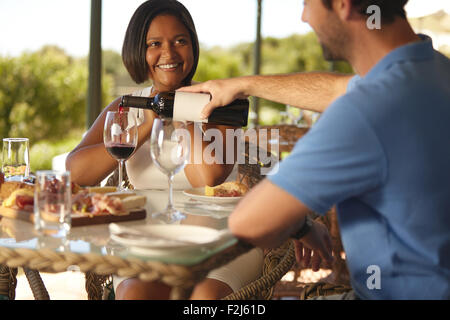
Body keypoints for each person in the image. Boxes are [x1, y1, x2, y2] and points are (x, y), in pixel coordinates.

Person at [180, 0, 450, 299]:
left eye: (308, 3)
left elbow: (249, 222)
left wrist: (300, 224)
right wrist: (242, 85)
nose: (304, 16)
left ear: (343, 5)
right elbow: (336, 88)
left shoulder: (366, 111)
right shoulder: (432, 69)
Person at [66, 0, 263, 300]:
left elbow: (209, 178)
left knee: (205, 297)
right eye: (154, 43)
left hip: (221, 237)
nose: (168, 53)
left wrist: (181, 111)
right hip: (144, 237)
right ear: (139, 51)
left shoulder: (223, 105)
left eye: (180, 41)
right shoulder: (125, 107)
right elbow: (74, 172)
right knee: (136, 295)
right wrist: (145, 127)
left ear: (192, 47)